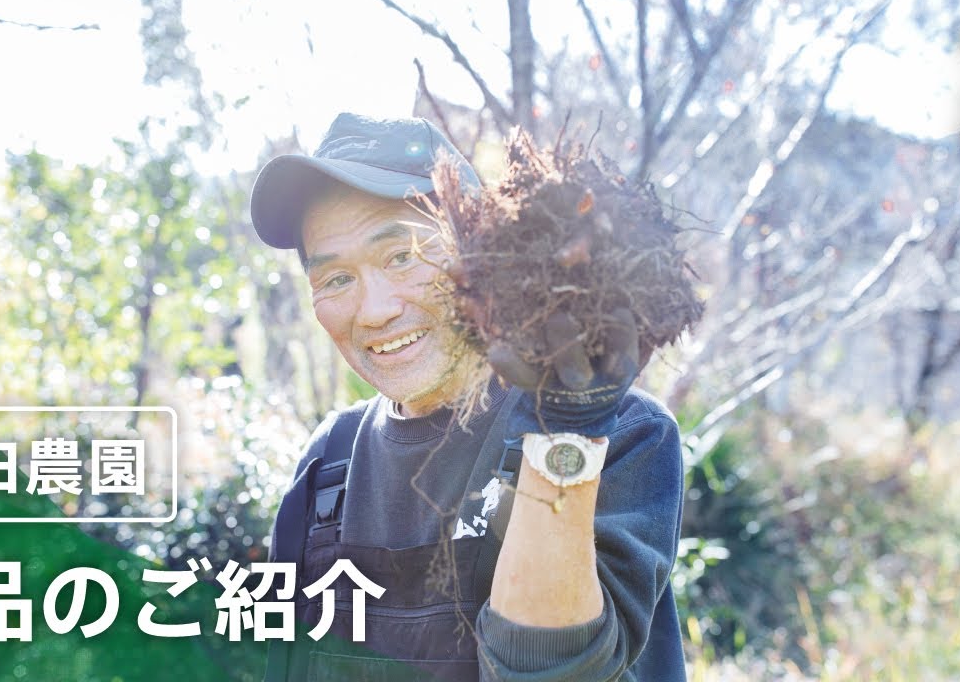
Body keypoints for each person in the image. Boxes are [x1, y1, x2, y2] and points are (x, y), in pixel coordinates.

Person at [249, 112, 687, 681]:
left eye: (402, 255)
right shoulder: (327, 464)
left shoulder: (620, 434)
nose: (374, 309)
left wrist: (566, 437)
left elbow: (552, 669)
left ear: (477, 250)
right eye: (335, 279)